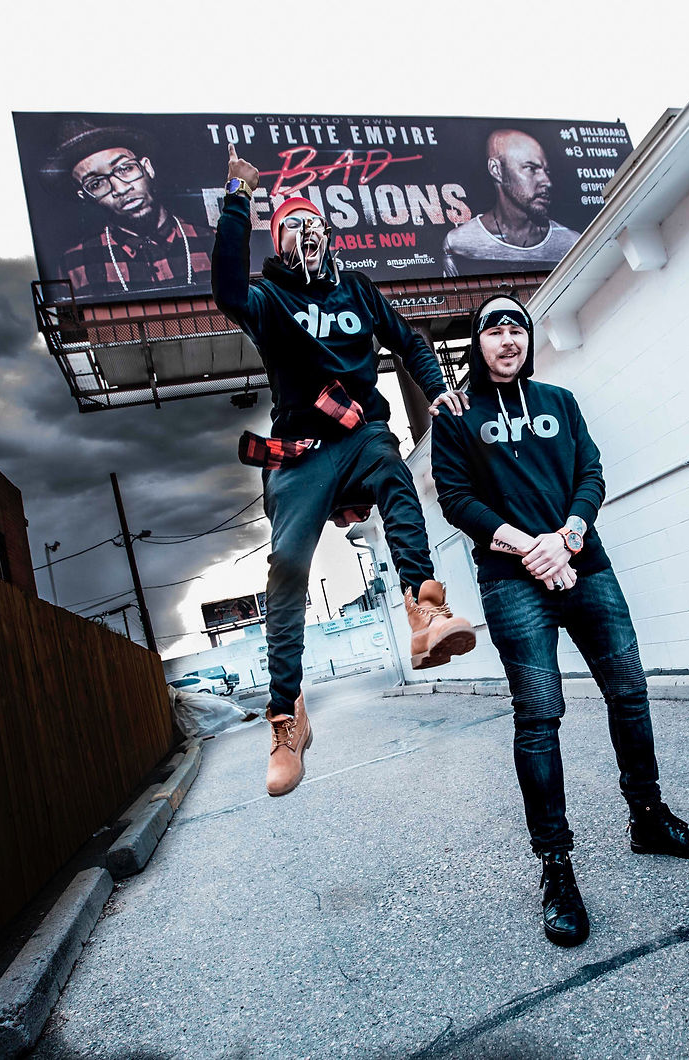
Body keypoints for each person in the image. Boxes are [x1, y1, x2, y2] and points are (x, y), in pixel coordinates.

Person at [430, 293, 689, 947]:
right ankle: (556, 868)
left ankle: (648, 819)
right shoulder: (457, 417)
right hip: (513, 583)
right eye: (494, 328)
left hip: (586, 567)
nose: (508, 338)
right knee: (539, 719)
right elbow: (457, 499)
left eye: (517, 328)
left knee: (630, 692)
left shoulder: (560, 402)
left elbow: (590, 472)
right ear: (476, 343)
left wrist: (566, 534)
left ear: (528, 341)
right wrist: (526, 546)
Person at [212, 145, 476, 797]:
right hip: (302, 450)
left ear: (329, 237)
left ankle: (425, 612)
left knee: (394, 473)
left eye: (314, 226)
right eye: (292, 229)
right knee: (287, 567)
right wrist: (239, 198)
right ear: (280, 242)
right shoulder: (271, 297)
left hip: (361, 436)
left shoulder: (356, 288)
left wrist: (435, 385)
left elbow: (410, 339)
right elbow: (223, 289)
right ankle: (286, 719)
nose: (306, 237)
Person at [40, 120, 216, 299]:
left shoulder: (216, 242)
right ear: (86, 197)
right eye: (96, 184)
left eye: (125, 168)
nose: (120, 189)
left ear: (147, 168)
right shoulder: (74, 264)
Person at [442, 130, 580, 277]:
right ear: (496, 170)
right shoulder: (459, 243)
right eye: (531, 169)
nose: (547, 182)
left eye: (547, 171)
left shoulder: (572, 244)